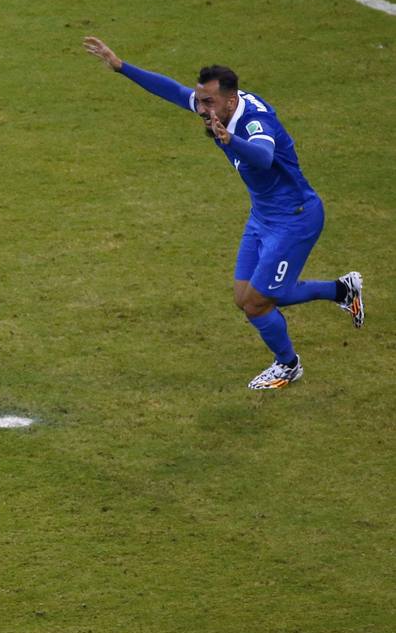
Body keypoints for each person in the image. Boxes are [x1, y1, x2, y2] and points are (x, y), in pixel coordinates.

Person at [81, 37, 364, 389]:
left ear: (230, 101)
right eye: (200, 100)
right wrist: (121, 66)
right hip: (263, 216)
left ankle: (288, 365)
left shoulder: (254, 123)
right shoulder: (217, 106)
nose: (200, 109)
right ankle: (342, 291)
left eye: (208, 102)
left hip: (295, 219)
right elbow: (172, 90)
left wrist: (231, 142)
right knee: (244, 298)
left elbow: (262, 156)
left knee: (257, 305)